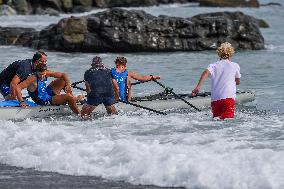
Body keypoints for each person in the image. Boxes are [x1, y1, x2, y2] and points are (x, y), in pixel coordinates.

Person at [192, 42, 241, 119]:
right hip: (228, 99)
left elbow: (205, 73)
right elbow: (238, 82)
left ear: (219, 53)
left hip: (215, 100)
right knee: (228, 122)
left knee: (217, 121)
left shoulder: (213, 65)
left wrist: (198, 87)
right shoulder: (235, 65)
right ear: (231, 53)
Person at [0, 50, 73, 100]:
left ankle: (71, 98)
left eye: (46, 62)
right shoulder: (25, 68)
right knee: (12, 98)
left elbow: (63, 75)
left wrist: (68, 84)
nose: (45, 64)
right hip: (4, 83)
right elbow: (13, 84)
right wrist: (14, 99)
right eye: (43, 61)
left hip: (15, 83)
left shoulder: (39, 67)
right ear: (37, 62)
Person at [15, 63, 83, 115]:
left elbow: (64, 75)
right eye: (39, 74)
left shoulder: (47, 73)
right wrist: (21, 101)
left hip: (46, 93)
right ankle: (80, 114)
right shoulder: (32, 78)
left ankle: (72, 99)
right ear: (36, 72)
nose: (42, 76)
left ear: (45, 71)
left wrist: (68, 84)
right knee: (68, 97)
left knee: (63, 80)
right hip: (43, 100)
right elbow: (18, 87)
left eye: (43, 74)